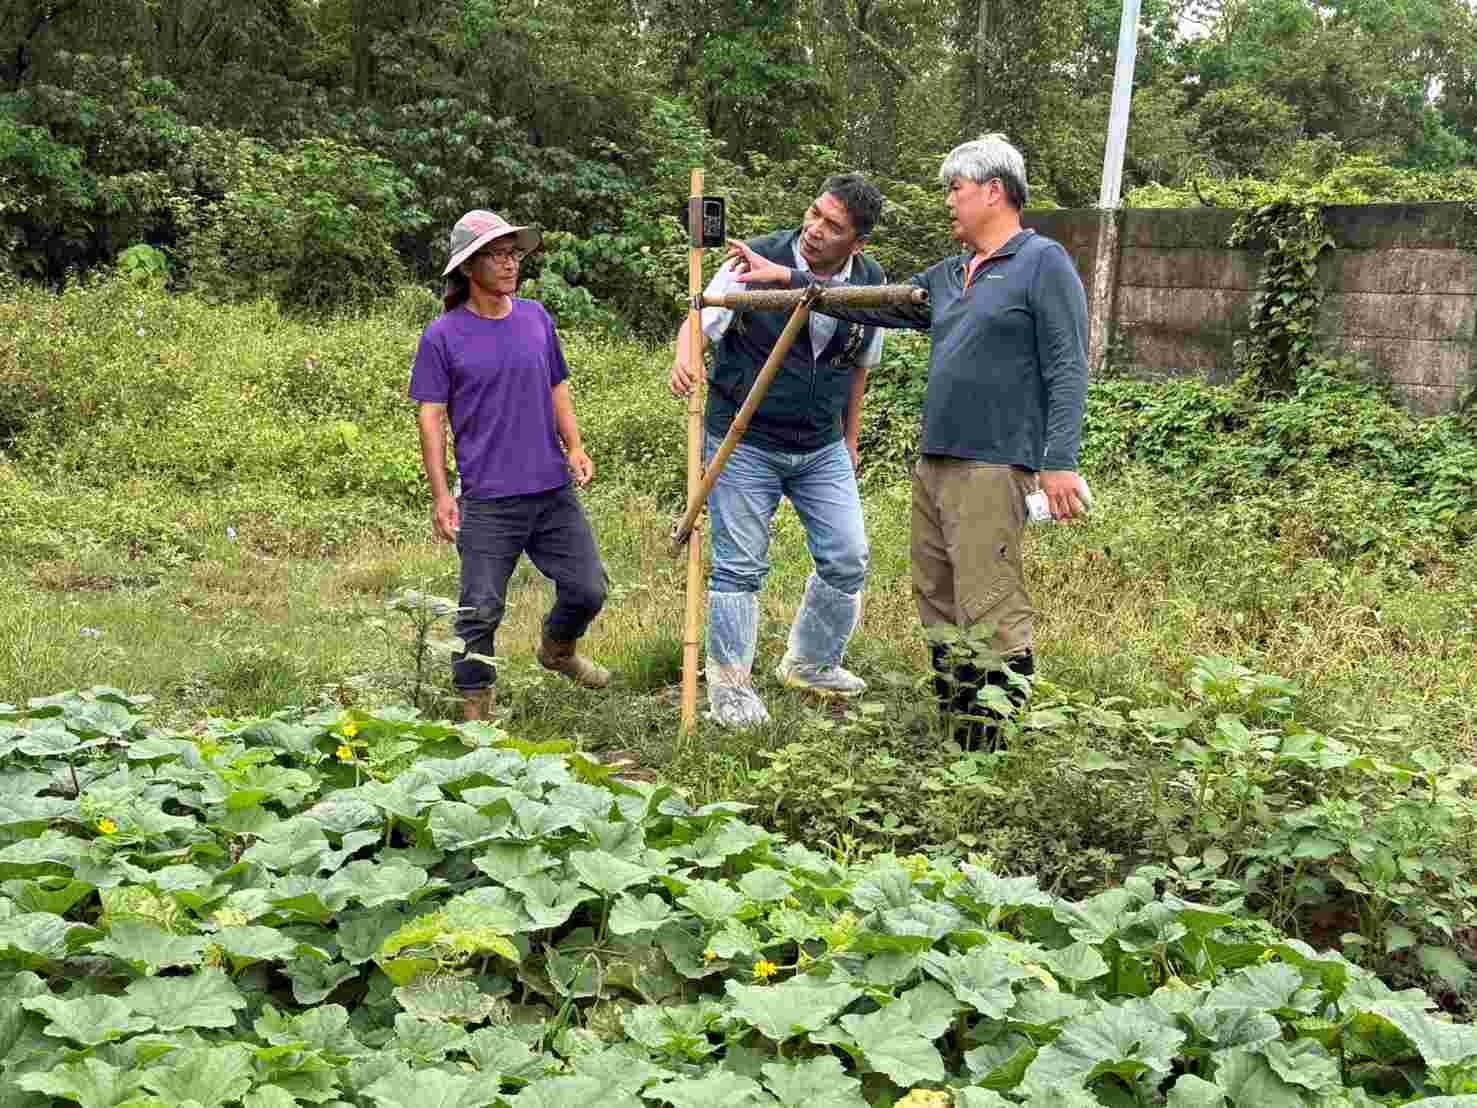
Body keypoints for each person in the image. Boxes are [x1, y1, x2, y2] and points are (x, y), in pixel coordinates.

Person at [727, 135, 1089, 750]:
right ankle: (958, 733)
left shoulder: (1041, 263)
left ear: (994, 191)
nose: (948, 200)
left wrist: (1059, 463)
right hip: (936, 461)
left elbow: (1066, 365)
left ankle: (992, 749)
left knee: (991, 601)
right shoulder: (950, 274)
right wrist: (790, 277)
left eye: (956, 189)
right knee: (937, 597)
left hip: (994, 462)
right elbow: (870, 305)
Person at [671, 174, 887, 727]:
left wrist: (851, 437)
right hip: (745, 438)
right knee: (739, 566)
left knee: (847, 556)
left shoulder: (869, 280)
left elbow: (860, 365)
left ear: (857, 244)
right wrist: (687, 355)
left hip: (820, 444)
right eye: (814, 214)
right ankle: (731, 690)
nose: (814, 230)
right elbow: (700, 318)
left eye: (832, 226)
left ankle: (811, 662)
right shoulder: (755, 258)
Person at [411, 210, 610, 723]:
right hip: (489, 498)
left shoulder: (536, 318)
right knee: (479, 611)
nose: (510, 263)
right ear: (468, 268)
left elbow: (556, 385)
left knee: (589, 588)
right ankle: (476, 714)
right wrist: (441, 495)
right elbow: (431, 419)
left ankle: (558, 650)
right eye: (497, 255)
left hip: (551, 491)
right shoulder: (443, 336)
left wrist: (576, 446)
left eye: (513, 254)